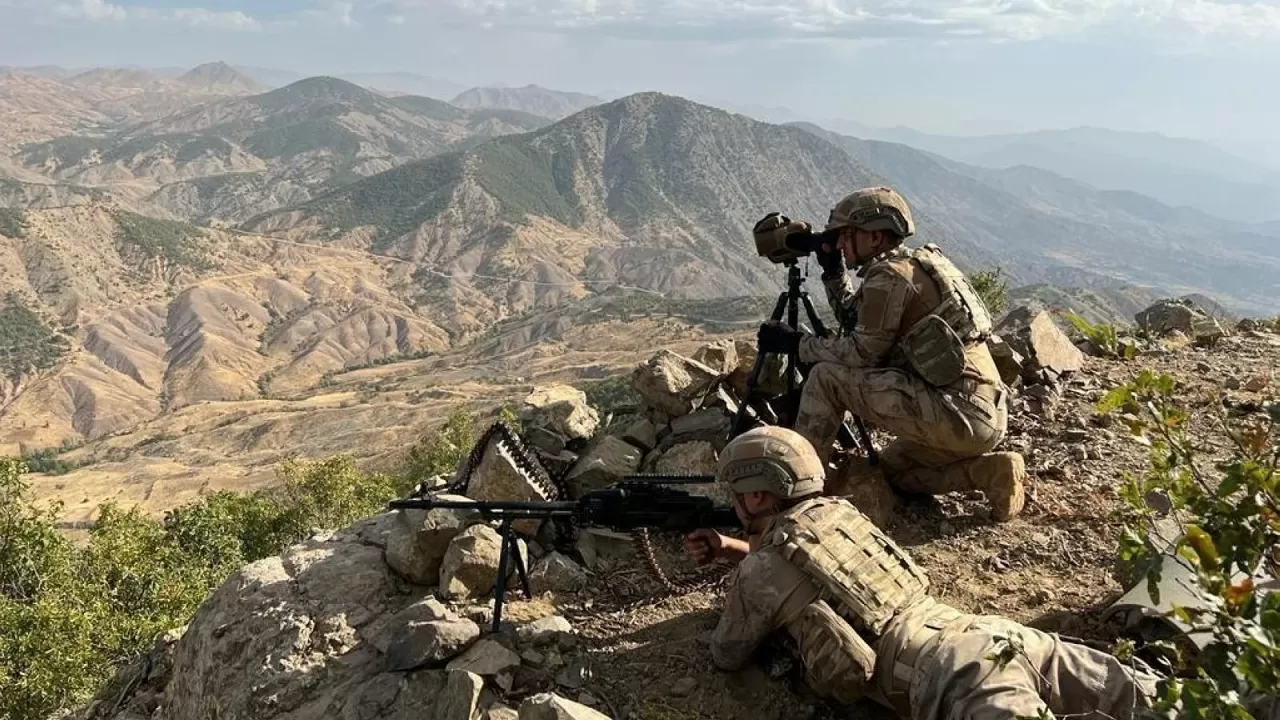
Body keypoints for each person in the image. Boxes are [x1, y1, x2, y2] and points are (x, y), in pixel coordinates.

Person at [685, 425, 1163, 720]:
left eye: (736, 494)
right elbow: (804, 561)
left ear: (758, 495)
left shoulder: (762, 571)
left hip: (954, 679)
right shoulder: (840, 516)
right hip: (997, 636)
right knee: (1162, 700)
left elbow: (728, 653)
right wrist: (731, 548)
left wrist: (745, 578)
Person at [752, 186, 1026, 522]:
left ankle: (799, 493)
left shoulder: (890, 276)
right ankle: (993, 471)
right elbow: (858, 321)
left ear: (875, 237)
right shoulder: (914, 265)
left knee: (825, 378)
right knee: (889, 473)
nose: (840, 244)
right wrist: (834, 274)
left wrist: (797, 344)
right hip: (980, 416)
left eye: (846, 235)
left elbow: (861, 353)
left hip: (957, 413)